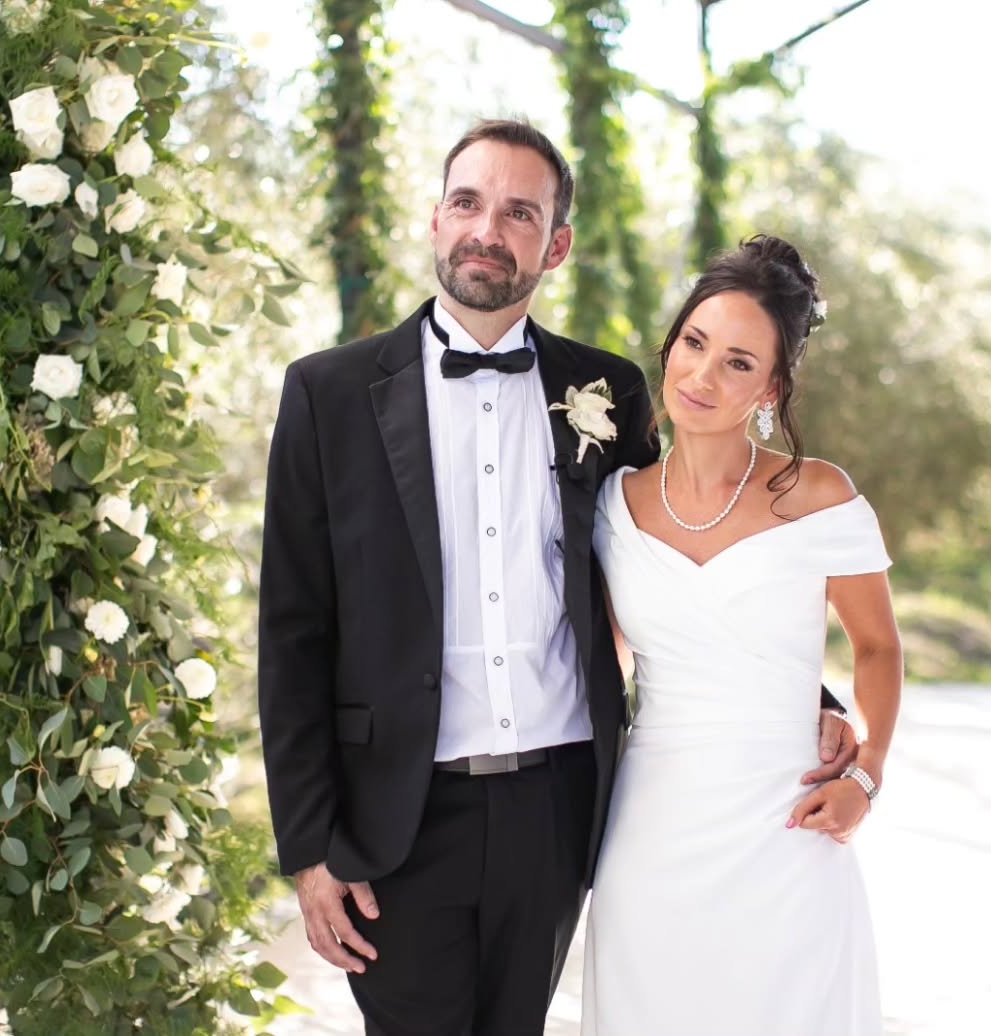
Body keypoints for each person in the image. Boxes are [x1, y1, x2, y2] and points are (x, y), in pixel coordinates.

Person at [257, 122, 857, 1035]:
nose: (487, 230)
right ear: (435, 218)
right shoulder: (328, 395)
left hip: (557, 806)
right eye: (468, 202)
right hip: (396, 818)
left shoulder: (608, 392)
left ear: (556, 243)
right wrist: (308, 848)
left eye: (519, 212)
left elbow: (671, 558)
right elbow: (293, 630)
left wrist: (804, 694)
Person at [580, 234, 903, 1035]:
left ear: (773, 386)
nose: (702, 375)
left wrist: (866, 771)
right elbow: (604, 661)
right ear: (670, 344)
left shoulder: (819, 495)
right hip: (651, 832)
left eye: (737, 362)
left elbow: (877, 648)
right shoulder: (611, 507)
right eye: (694, 343)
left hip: (787, 824)